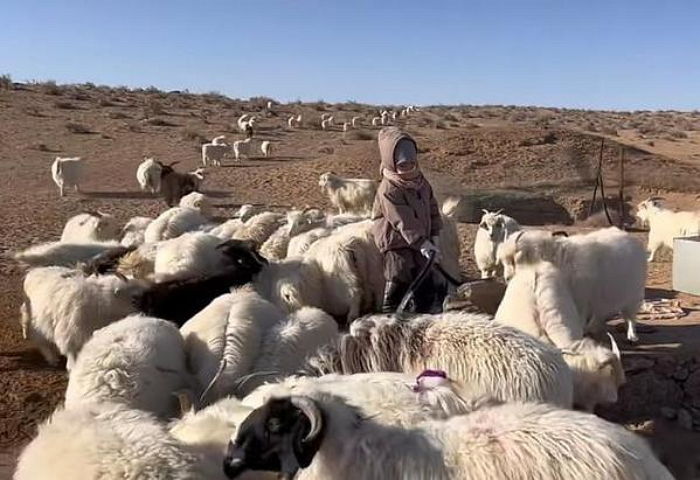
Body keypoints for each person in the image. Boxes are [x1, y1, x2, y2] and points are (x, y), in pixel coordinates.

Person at [372, 127, 443, 313]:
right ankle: (390, 315)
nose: (408, 170)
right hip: (395, 241)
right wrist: (422, 242)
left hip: (421, 239)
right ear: (391, 162)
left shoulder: (421, 182)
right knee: (399, 272)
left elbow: (432, 208)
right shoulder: (389, 189)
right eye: (403, 166)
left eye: (411, 164)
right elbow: (402, 219)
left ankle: (423, 313)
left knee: (425, 273)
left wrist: (434, 234)